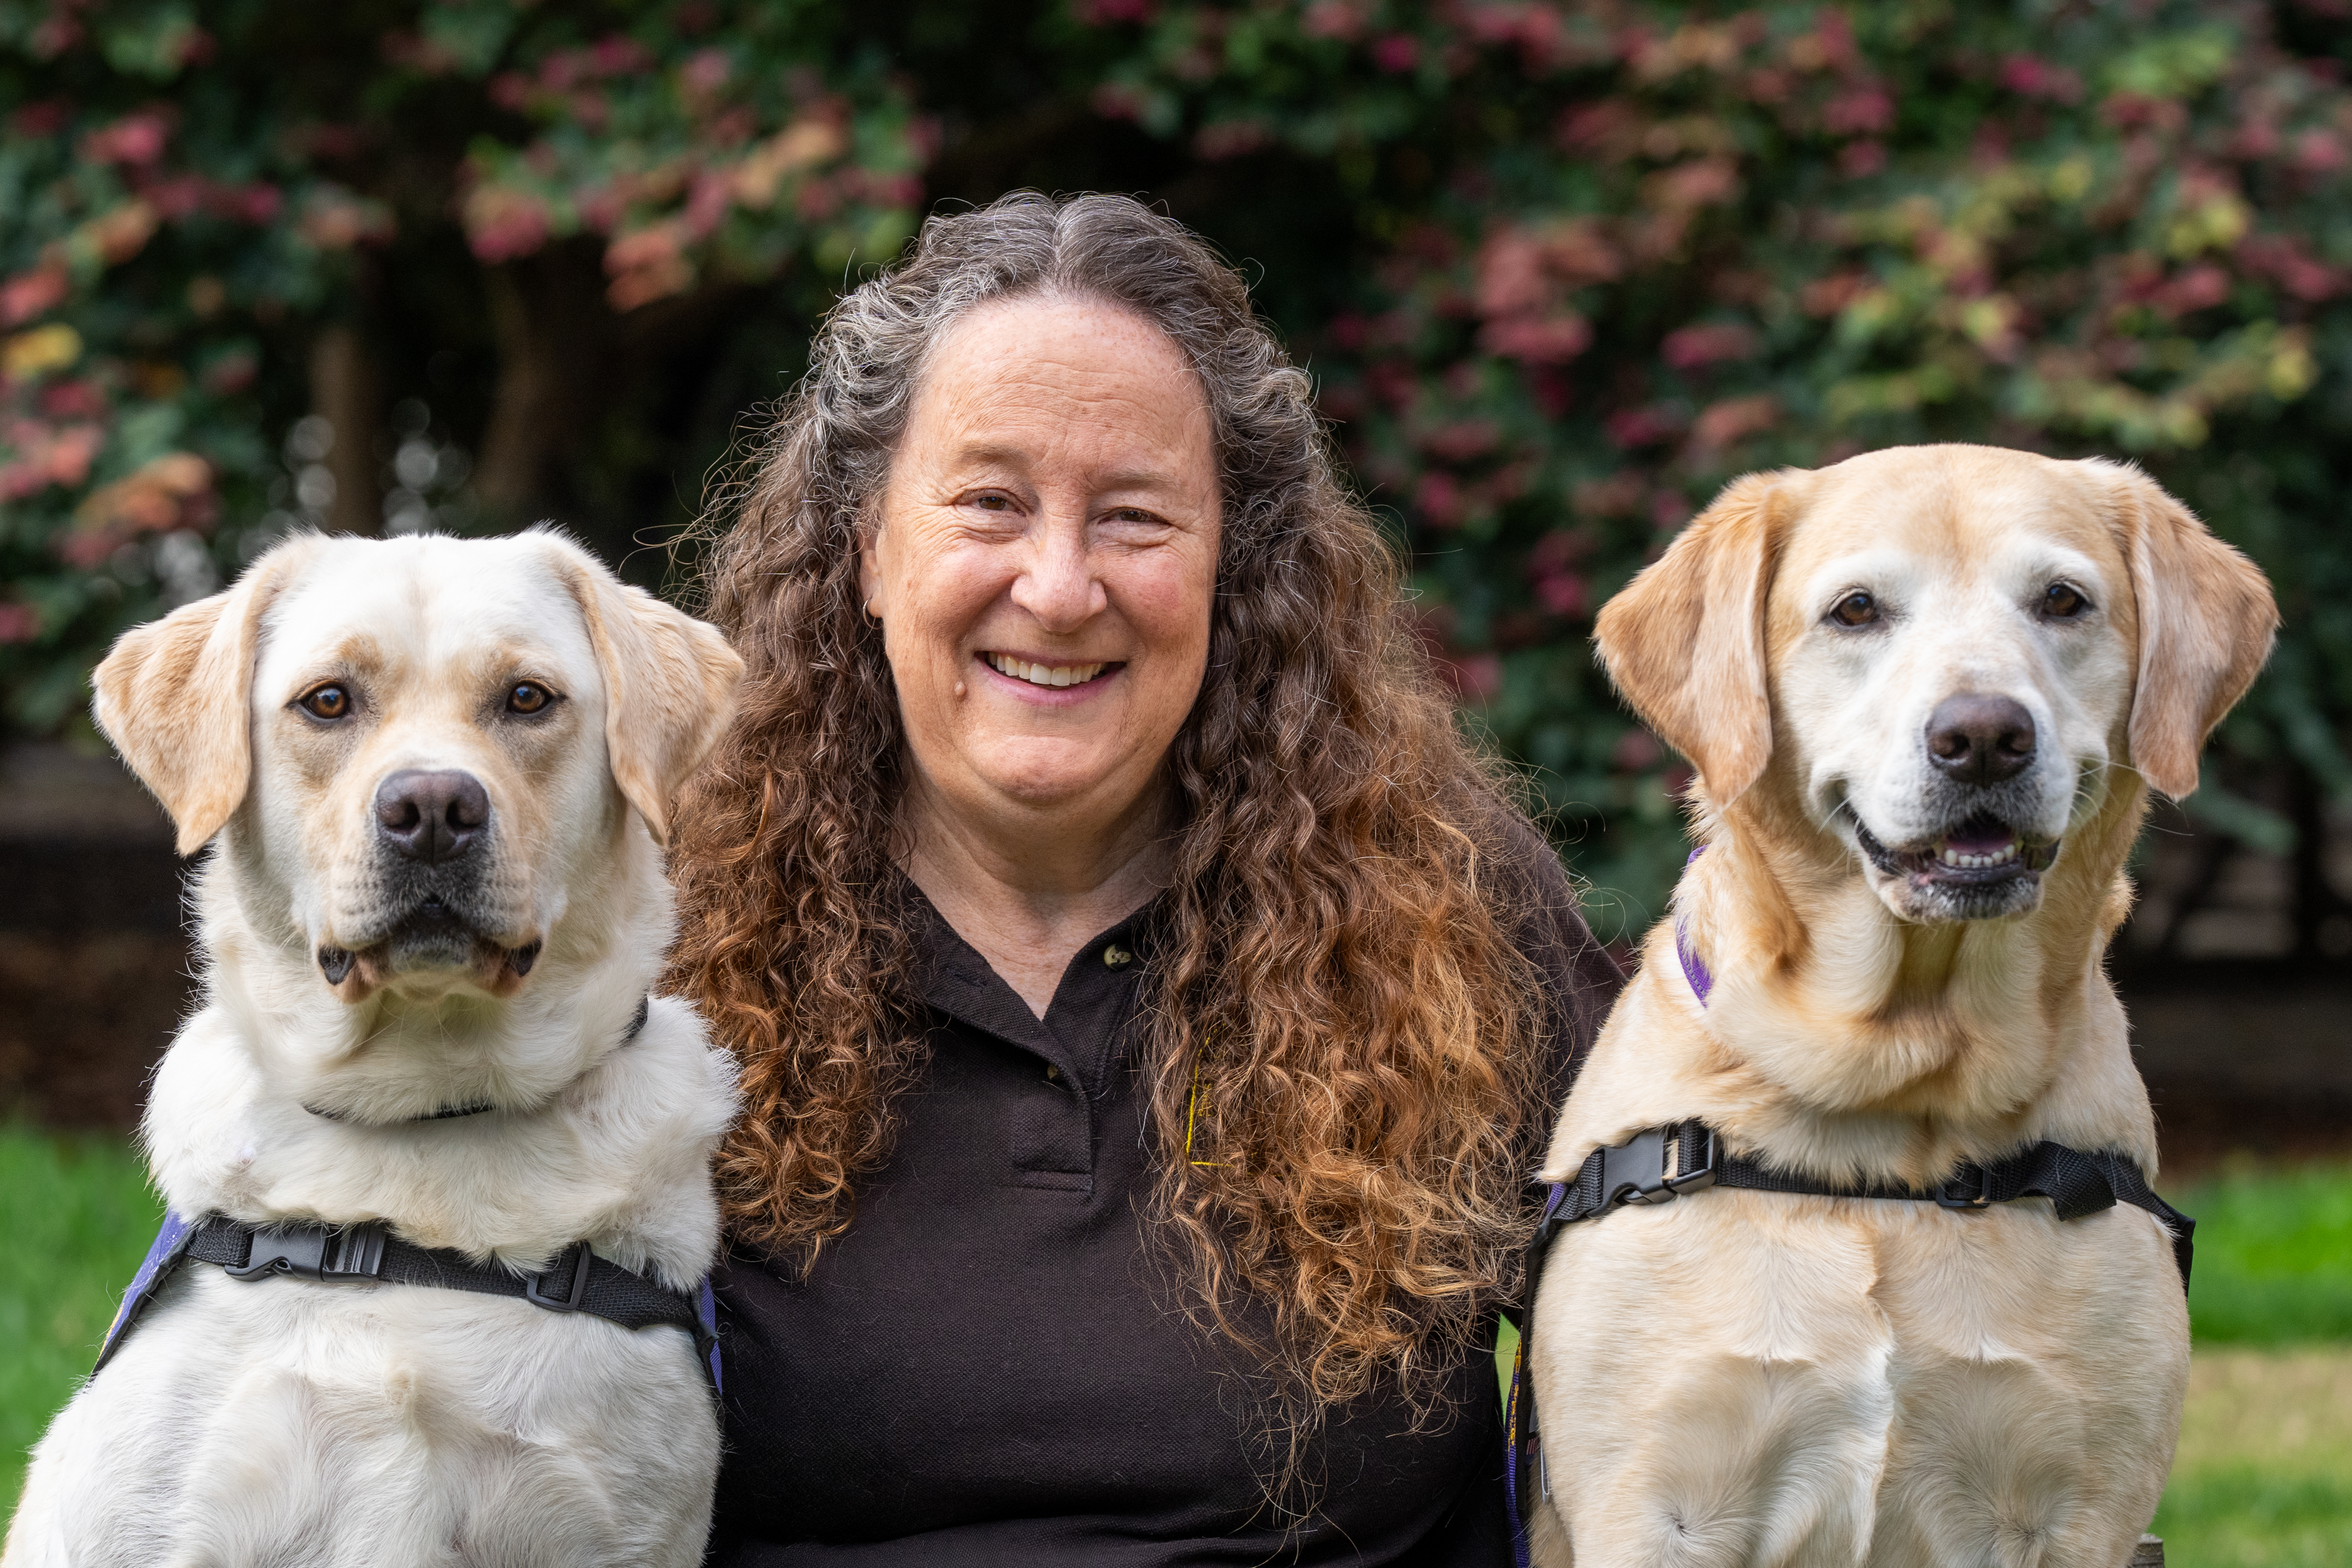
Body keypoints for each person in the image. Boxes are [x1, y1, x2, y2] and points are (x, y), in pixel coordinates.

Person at [667, 191, 1622, 1566]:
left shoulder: (1449, 913)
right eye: (990, 502)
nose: (1058, 589)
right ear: (868, 547)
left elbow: (1718, 1262)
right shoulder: (648, 943)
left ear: (1234, 563)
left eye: (1133, 516)